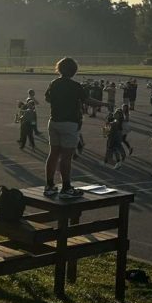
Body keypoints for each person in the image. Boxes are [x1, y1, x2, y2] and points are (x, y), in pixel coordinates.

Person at [44, 57, 101, 198]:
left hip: (54, 121)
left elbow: (48, 98)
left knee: (53, 154)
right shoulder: (75, 86)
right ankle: (66, 187)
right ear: (74, 70)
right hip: (69, 123)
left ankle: (50, 185)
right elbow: (87, 100)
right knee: (66, 157)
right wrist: (104, 104)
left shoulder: (54, 83)